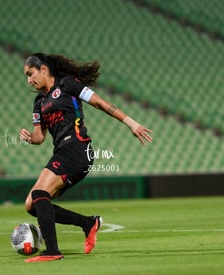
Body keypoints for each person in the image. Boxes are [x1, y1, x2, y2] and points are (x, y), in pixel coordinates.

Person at [19, 53, 152, 262]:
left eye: (30, 73)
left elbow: (99, 102)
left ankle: (52, 251)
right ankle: (88, 223)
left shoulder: (67, 84)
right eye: (26, 76)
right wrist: (29, 137)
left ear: (43, 69)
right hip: (62, 152)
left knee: (39, 193)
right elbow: (39, 137)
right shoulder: (39, 102)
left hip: (77, 148)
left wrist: (131, 123)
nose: (28, 80)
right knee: (32, 204)